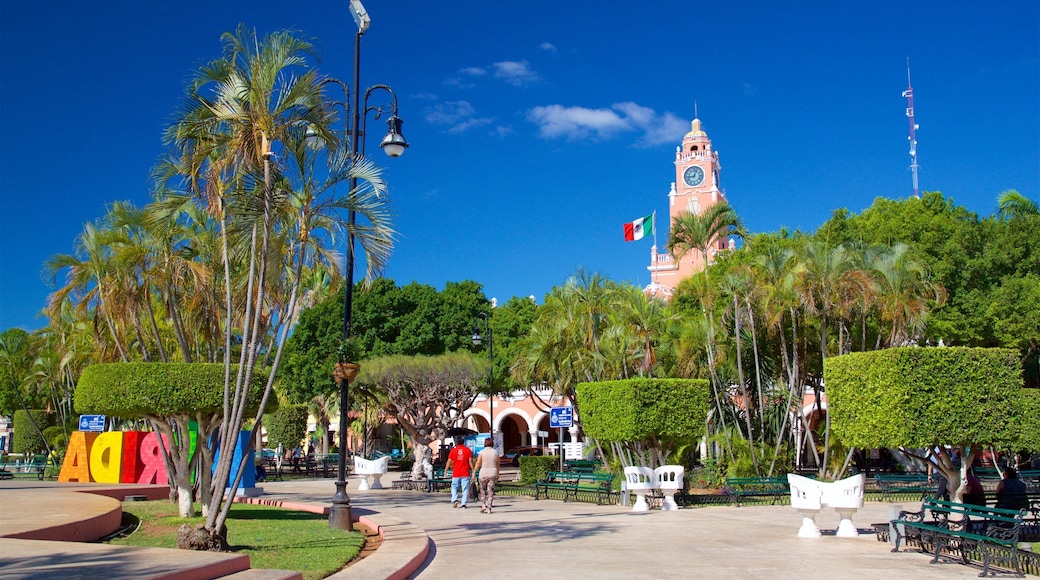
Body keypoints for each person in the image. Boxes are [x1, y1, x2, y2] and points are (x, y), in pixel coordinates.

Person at [472, 438, 501, 514]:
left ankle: (483, 505)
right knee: (490, 491)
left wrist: (474, 472)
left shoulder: (482, 452)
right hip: (492, 473)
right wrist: (498, 473)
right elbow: (498, 464)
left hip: (483, 473)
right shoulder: (495, 452)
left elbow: (478, 463)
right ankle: (489, 508)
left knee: (482, 490)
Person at [446, 438, 474, 508]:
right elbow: (470, 461)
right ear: (463, 442)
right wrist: (473, 470)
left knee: (454, 487)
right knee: (465, 488)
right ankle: (463, 503)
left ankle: (454, 499)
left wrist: (446, 470)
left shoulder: (453, 450)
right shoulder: (468, 450)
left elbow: (449, 461)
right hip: (465, 472)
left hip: (456, 473)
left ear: (456, 443)